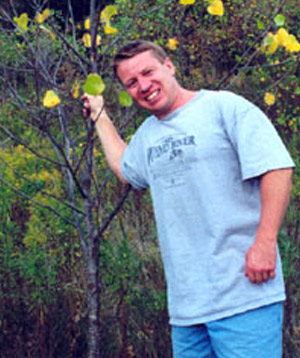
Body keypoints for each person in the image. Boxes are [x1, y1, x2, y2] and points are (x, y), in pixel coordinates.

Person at [82, 40, 294, 358]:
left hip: (244, 295)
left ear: (169, 66)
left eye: (148, 72)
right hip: (187, 311)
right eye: (132, 82)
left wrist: (264, 242)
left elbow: (276, 167)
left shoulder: (224, 108)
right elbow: (126, 168)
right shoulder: (148, 135)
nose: (144, 85)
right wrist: (100, 115)